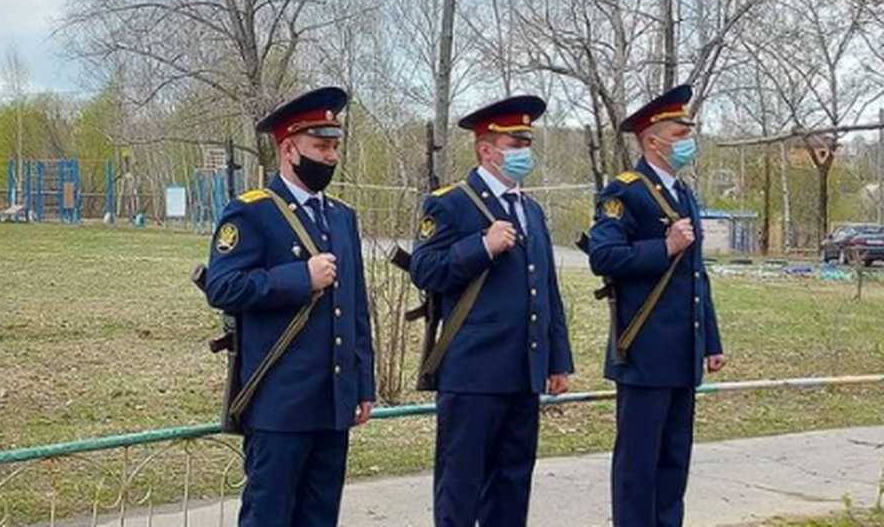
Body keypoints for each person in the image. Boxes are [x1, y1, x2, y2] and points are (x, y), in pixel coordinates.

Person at [204, 86, 375, 527]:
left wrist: (361, 383)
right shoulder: (252, 212)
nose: (331, 156)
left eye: (334, 145)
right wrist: (300, 278)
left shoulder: (340, 216)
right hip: (279, 403)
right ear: (288, 149)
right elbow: (222, 286)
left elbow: (355, 309)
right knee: (270, 517)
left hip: (331, 401)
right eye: (320, 146)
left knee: (320, 517)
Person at [409, 95, 574, 527]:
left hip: (523, 373)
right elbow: (424, 270)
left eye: (526, 143)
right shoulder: (451, 203)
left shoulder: (531, 210)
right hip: (473, 374)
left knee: (512, 486)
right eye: (515, 143)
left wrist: (557, 359)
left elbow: (546, 292)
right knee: (460, 489)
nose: (524, 152)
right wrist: (480, 246)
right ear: (486, 149)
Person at [587, 84, 726, 527]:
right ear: (652, 141)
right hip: (644, 350)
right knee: (637, 466)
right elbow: (602, 256)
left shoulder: (684, 193)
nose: (687, 141)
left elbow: (696, 276)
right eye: (679, 133)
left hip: (683, 352)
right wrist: (662, 247)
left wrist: (711, 339)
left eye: (688, 132)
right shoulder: (624, 193)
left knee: (673, 463)